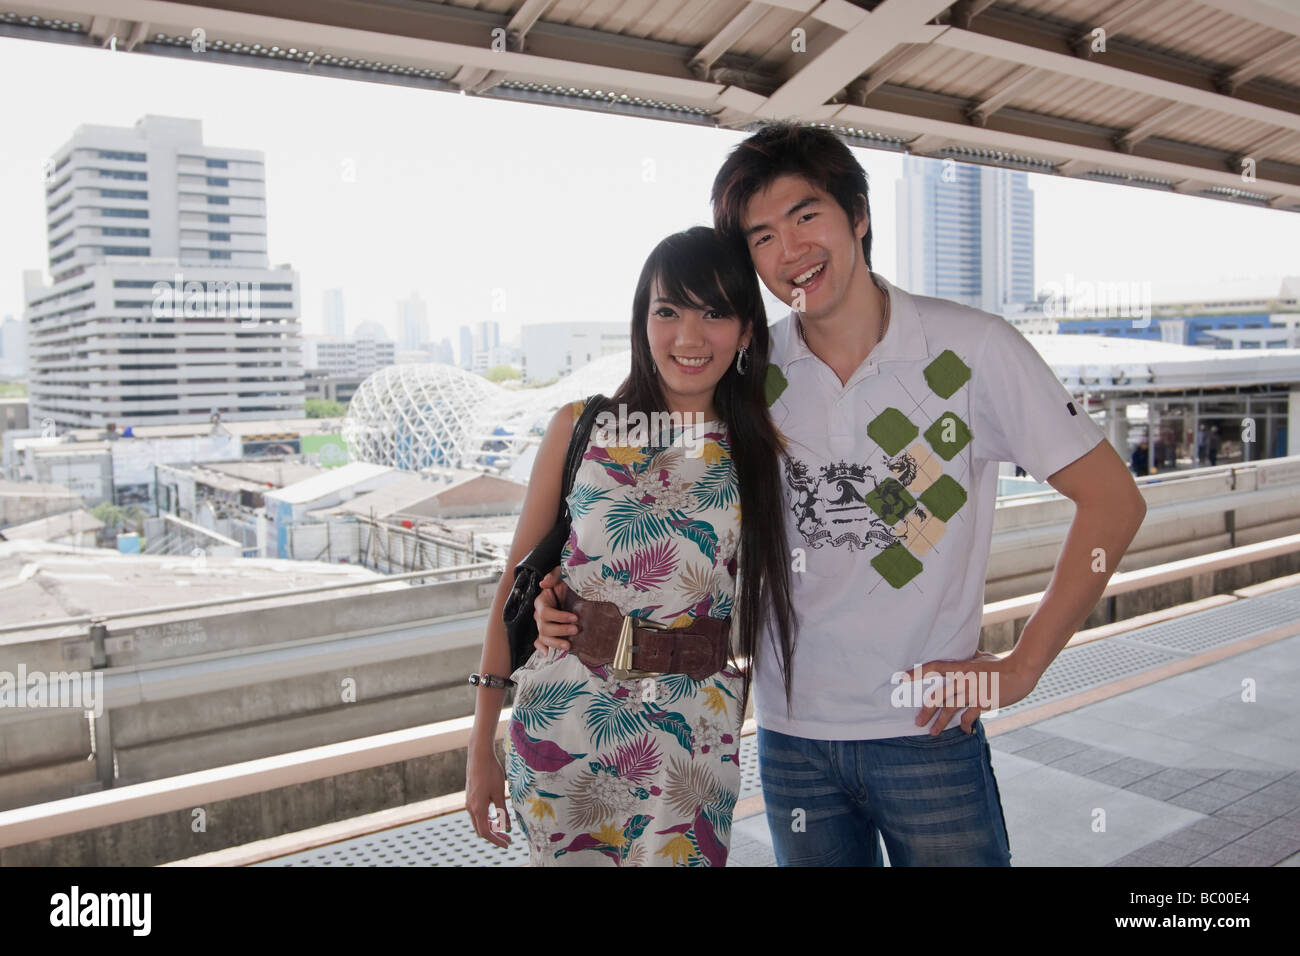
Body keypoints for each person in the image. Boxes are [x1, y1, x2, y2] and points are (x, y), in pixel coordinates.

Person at [539, 123, 1147, 867]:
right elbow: (655, 506)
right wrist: (567, 599)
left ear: (858, 214)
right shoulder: (750, 374)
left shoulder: (974, 350)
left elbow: (1114, 502)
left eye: (806, 216)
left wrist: (1021, 666)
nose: (790, 252)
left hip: (926, 733)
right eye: (761, 237)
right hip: (792, 742)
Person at [465, 226, 795, 866]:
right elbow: (517, 585)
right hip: (564, 714)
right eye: (668, 310)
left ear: (748, 330)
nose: (689, 337)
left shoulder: (761, 448)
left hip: (691, 736)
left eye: (715, 313)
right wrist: (481, 745)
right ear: (643, 321)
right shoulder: (581, 427)